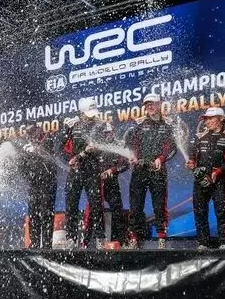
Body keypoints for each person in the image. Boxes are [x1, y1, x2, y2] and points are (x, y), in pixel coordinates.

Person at [63, 98, 127, 248]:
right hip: (75, 171)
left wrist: (94, 151)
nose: (91, 116)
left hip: (92, 171)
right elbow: (63, 149)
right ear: (81, 112)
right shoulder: (71, 125)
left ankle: (99, 237)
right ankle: (71, 237)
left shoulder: (101, 125)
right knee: (71, 203)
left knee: (96, 204)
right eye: (87, 113)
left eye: (92, 113)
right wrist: (70, 159)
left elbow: (108, 147)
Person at [123, 93, 178, 249]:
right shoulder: (139, 123)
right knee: (135, 206)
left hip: (157, 171)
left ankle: (161, 238)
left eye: (152, 104)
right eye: (147, 105)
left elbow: (172, 147)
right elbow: (131, 144)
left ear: (159, 104)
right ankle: (134, 238)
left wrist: (161, 158)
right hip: (139, 170)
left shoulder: (168, 124)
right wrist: (133, 156)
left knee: (159, 206)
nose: (149, 107)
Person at [186, 108, 225, 249]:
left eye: (211, 118)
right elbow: (191, 156)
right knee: (199, 210)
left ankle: (223, 241)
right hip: (201, 179)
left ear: (221, 119)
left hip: (219, 179)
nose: (207, 121)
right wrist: (191, 162)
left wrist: (219, 171)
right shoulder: (199, 137)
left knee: (221, 210)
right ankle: (203, 242)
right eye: (206, 119)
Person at [19, 124, 58, 249]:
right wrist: (29, 178)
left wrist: (37, 149)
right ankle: (34, 243)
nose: (31, 137)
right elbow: (22, 167)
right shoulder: (26, 148)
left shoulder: (48, 141)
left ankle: (47, 245)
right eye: (29, 135)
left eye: (33, 133)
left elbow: (49, 155)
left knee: (47, 213)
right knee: (33, 213)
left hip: (48, 184)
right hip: (34, 184)